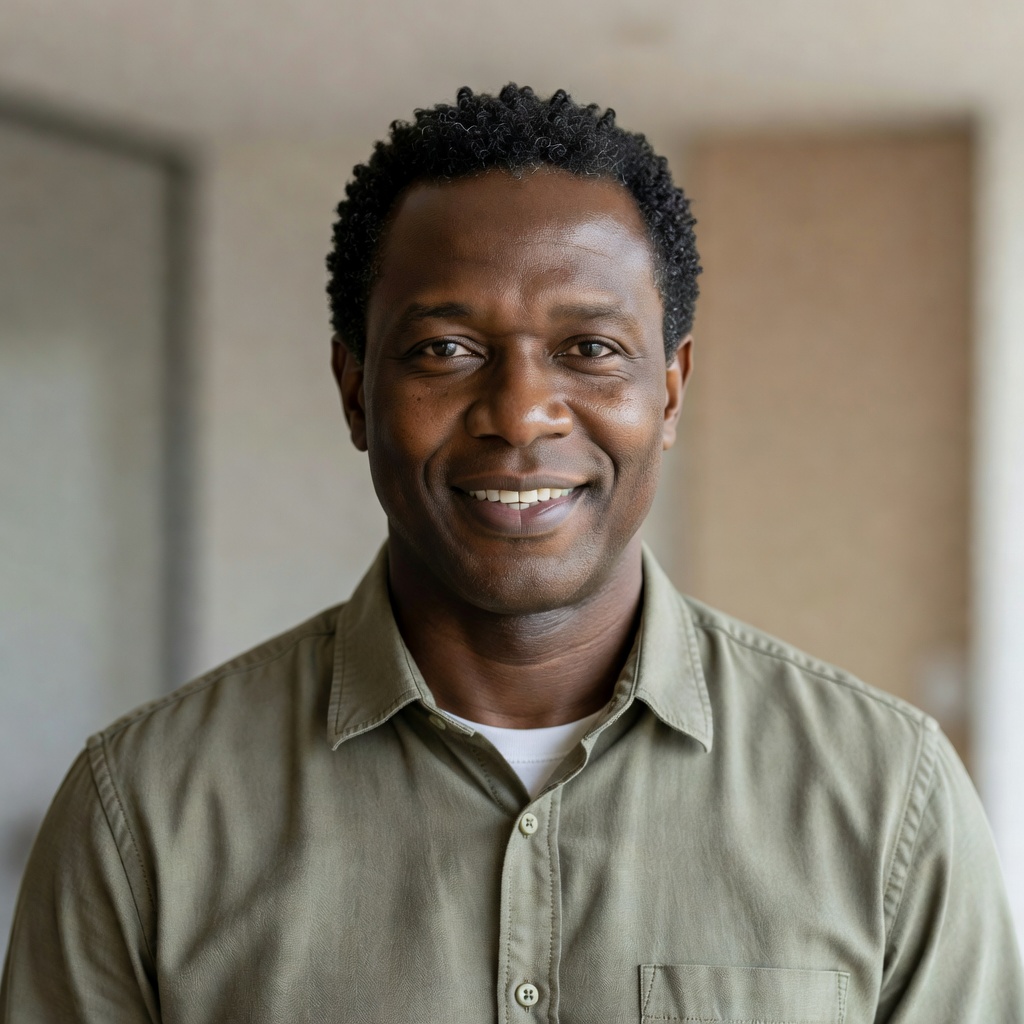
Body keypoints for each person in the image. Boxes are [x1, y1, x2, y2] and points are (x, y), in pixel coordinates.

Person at [3, 84, 1021, 1023]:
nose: (520, 414)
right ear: (354, 389)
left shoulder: (887, 798)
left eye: (589, 349)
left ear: (668, 391)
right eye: (446, 350)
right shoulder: (142, 812)